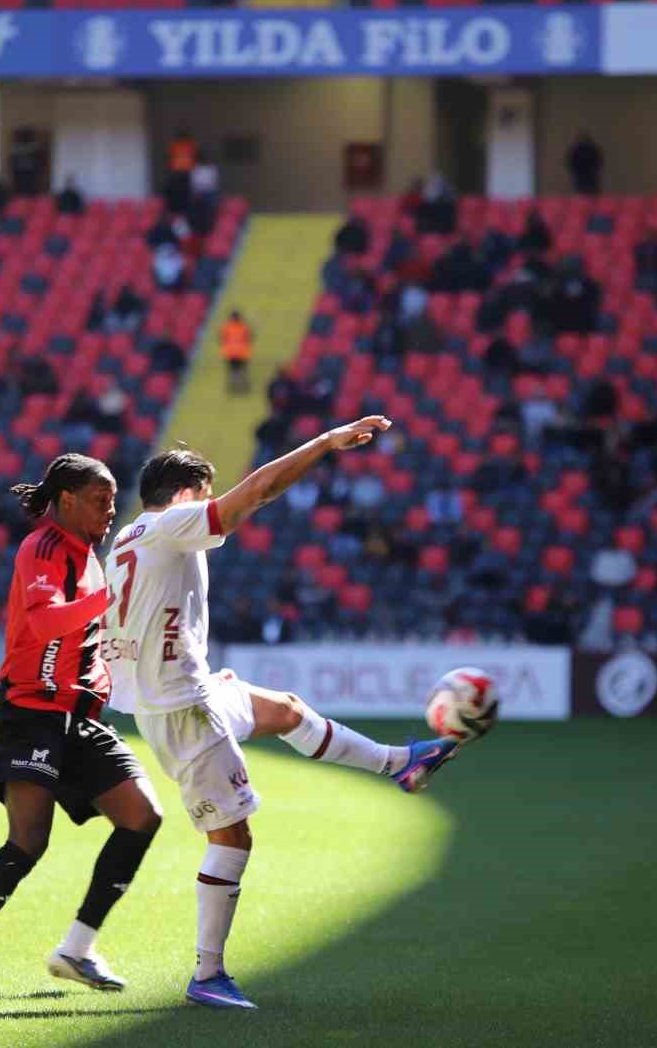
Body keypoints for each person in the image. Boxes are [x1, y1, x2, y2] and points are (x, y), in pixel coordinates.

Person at [104, 423, 464, 1011]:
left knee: (286, 710)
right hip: (182, 708)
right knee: (232, 836)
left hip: (183, 689)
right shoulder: (173, 523)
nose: (212, 505)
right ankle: (208, 974)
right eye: (206, 492)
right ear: (187, 493)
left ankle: (399, 763)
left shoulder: (129, 535)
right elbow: (257, 493)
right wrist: (325, 444)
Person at [0, 456, 162, 997]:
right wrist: (109, 598)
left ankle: (76, 949)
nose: (110, 511)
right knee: (27, 842)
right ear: (67, 500)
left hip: (81, 718)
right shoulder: (43, 547)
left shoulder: (92, 557)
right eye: (100, 500)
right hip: (31, 713)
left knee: (142, 816)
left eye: (112, 501)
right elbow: (44, 620)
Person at [219, 310, 252, 394]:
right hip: (242, 352)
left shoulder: (226, 327)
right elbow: (249, 338)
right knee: (242, 370)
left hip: (230, 353)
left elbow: (222, 339)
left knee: (233, 371)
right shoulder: (244, 327)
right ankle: (243, 387)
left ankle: (233, 387)